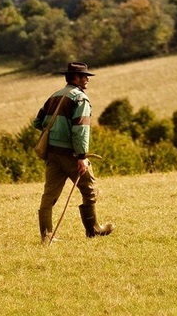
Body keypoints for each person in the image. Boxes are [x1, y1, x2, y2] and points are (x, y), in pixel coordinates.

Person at [34, 61, 114, 243]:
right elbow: (81, 130)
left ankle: (46, 236)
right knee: (90, 189)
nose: (87, 80)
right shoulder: (80, 99)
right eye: (85, 76)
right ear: (76, 78)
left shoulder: (55, 95)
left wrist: (56, 134)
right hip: (70, 154)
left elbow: (37, 122)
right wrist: (82, 157)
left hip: (52, 152)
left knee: (49, 194)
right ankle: (94, 230)